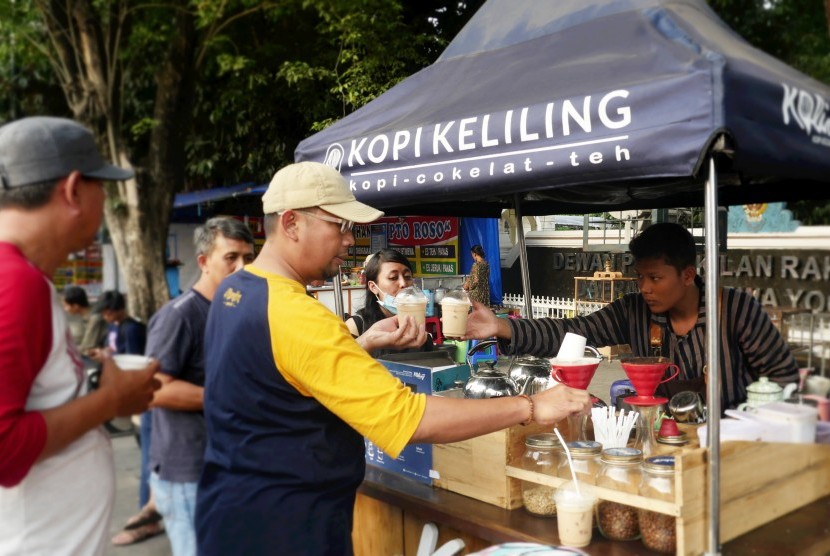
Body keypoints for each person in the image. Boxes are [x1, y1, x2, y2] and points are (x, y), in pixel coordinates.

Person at [194, 161, 590, 555]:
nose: (350, 240)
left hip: (231, 510)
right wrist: (531, 405)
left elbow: (279, 378)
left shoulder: (235, 292)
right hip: (285, 528)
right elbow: (407, 417)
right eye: (340, 226)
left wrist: (360, 343)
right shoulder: (296, 314)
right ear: (293, 223)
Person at [0, 116, 159, 555]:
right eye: (101, 187)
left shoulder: (25, 278)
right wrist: (112, 400)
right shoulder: (15, 283)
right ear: (73, 190)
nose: (104, 200)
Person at [462, 222, 799, 410]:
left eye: (655, 278)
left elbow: (784, 380)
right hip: (660, 442)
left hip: (731, 447)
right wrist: (502, 326)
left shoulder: (736, 310)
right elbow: (573, 330)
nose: (645, 288)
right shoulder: (634, 310)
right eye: (641, 277)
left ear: (687, 274)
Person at [141, 216, 254, 555]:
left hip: (230, 465)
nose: (242, 267)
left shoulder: (234, 311)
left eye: (248, 258)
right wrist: (229, 398)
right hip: (188, 471)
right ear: (204, 262)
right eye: (231, 258)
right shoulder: (180, 315)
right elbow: (155, 389)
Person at [346, 248, 434, 357]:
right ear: (373, 287)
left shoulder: (417, 322)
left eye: (407, 277)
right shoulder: (356, 325)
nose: (403, 284)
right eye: (393, 278)